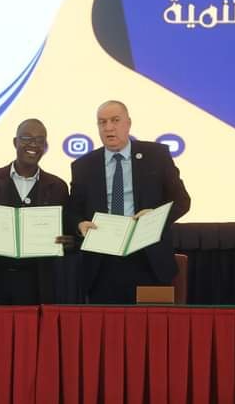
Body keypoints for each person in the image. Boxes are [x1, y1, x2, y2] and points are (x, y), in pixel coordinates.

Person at [67, 100, 191, 304]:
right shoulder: (83, 166)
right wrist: (79, 224)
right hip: (102, 264)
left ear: (128, 123)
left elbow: (182, 201)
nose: (108, 128)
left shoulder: (156, 156)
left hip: (149, 260)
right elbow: (72, 211)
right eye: (102, 122)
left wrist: (155, 217)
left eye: (115, 120)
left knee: (151, 322)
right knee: (107, 323)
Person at [0, 118, 72, 304]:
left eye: (39, 140)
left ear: (45, 146)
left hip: (38, 284)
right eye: (26, 138)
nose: (33, 144)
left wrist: (68, 243)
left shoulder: (57, 186)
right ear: (15, 142)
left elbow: (66, 233)